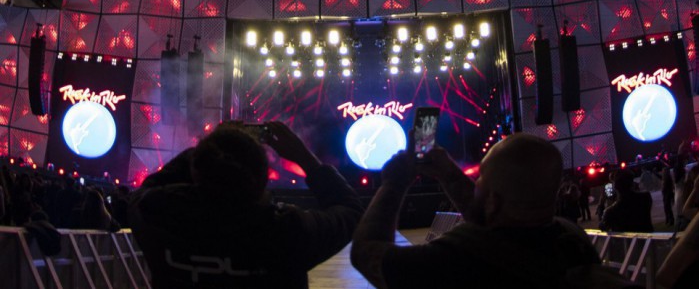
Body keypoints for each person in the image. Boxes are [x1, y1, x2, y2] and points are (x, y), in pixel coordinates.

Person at [351, 133, 620, 289]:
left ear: (492, 200)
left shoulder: (458, 258)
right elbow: (492, 217)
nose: (475, 185)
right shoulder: (573, 240)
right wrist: (448, 174)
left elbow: (366, 253)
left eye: (480, 181)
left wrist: (394, 183)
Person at [130, 120, 362, 289]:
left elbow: (145, 191)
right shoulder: (286, 230)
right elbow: (350, 211)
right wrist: (305, 158)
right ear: (263, 179)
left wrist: (213, 147)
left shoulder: (158, 215)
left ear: (196, 169)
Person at [600, 169, 653, 233]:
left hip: (625, 242)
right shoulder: (646, 198)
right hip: (647, 240)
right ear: (632, 183)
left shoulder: (611, 211)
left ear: (616, 187)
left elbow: (603, 227)